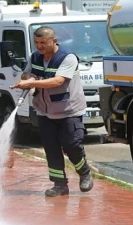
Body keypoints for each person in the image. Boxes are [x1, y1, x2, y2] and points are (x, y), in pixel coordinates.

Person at [11, 26, 93, 197]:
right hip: (44, 111)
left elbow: (58, 81)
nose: (39, 46)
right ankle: (59, 185)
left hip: (68, 111)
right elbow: (27, 73)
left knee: (72, 145)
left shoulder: (67, 58)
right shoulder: (35, 57)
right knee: (51, 149)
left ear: (54, 41)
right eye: (36, 43)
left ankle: (84, 172)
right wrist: (27, 79)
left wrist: (31, 84)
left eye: (43, 42)